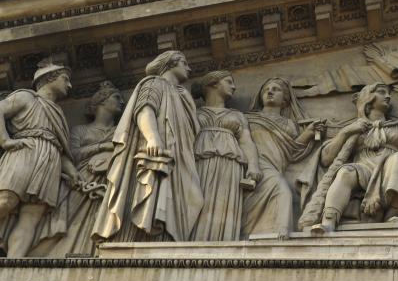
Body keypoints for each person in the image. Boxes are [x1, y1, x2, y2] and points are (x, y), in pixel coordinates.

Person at [94, 51, 203, 243]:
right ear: (169, 64)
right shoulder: (154, 83)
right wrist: (153, 138)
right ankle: (137, 239)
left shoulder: (182, 95)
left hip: (179, 156)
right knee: (150, 195)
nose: (189, 68)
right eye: (184, 62)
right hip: (157, 151)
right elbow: (145, 108)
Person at [301, 83, 398, 233]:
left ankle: (391, 216)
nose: (387, 96)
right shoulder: (355, 126)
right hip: (363, 168)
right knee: (345, 172)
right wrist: (346, 132)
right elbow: (326, 159)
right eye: (382, 92)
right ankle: (329, 222)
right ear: (368, 98)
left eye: (388, 93)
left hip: (390, 170)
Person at [31, 81, 123, 256]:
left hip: (111, 180)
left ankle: (96, 251)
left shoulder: (121, 131)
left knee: (102, 215)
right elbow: (71, 154)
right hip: (82, 181)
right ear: (102, 101)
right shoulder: (80, 130)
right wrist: (102, 147)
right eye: (116, 97)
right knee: (75, 218)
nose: (121, 102)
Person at [0, 61, 78, 257]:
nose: (69, 85)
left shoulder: (59, 114)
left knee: (31, 217)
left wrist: (72, 171)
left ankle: (14, 265)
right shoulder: (26, 97)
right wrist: (5, 141)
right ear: (49, 78)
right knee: (5, 201)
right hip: (24, 152)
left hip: (50, 161)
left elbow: (60, 147)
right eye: (65, 79)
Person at [245, 77, 324, 238]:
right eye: (266, 89)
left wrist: (308, 133)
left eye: (276, 89)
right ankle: (279, 232)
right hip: (252, 164)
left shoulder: (289, 124)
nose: (270, 92)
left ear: (285, 99)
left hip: (275, 166)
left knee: (279, 191)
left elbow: (292, 150)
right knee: (282, 191)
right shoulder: (248, 118)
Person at [192, 71, 262, 241]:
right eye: (229, 82)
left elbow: (246, 141)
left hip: (230, 164)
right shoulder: (194, 113)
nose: (234, 86)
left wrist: (253, 165)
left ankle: (221, 243)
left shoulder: (237, 115)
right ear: (214, 84)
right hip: (198, 162)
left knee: (223, 206)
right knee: (196, 203)